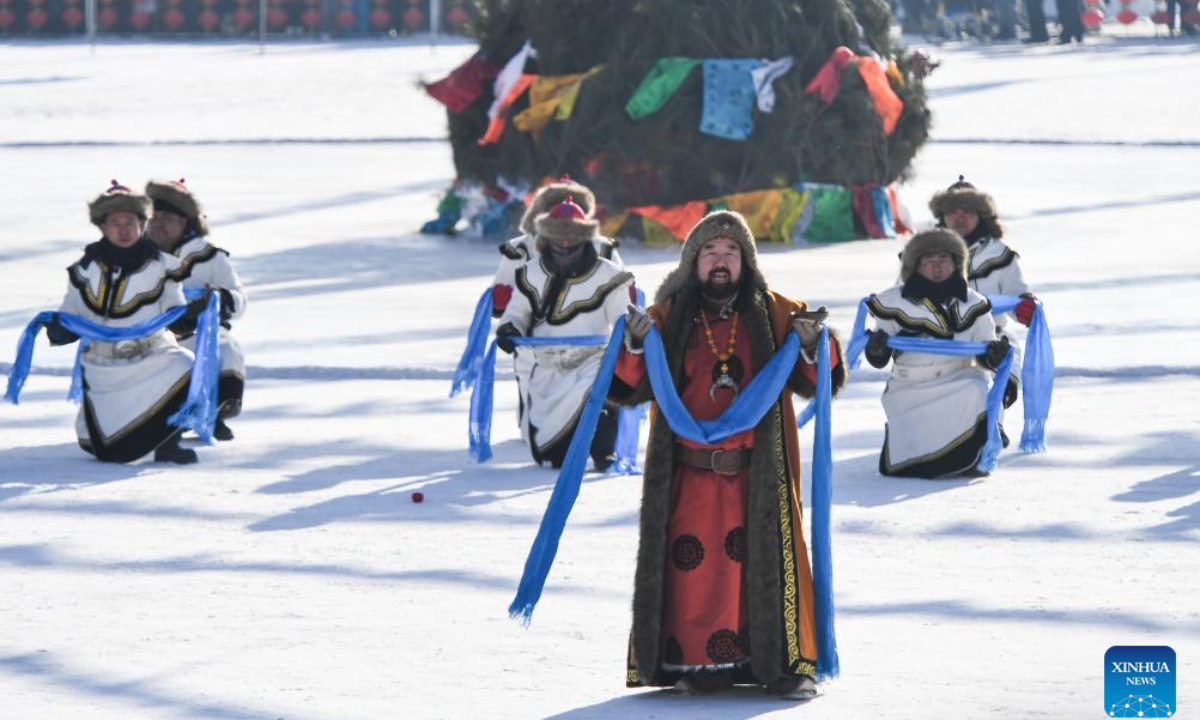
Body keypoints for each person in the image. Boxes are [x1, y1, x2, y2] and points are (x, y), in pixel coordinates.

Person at [612, 211, 845, 699]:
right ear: (692, 262)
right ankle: (696, 666)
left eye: (731, 252)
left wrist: (811, 344)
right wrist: (633, 343)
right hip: (688, 478)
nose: (720, 262)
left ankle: (782, 666)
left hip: (757, 476)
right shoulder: (669, 316)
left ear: (747, 261)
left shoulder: (778, 311)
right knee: (693, 574)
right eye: (710, 253)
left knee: (763, 569)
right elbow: (626, 387)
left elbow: (818, 377)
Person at [45, 181, 207, 464]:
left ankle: (168, 444)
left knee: (184, 364)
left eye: (129, 222)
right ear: (103, 227)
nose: (123, 229)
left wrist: (189, 316)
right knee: (110, 453)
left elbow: (175, 312)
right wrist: (60, 330)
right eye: (115, 223)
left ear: (142, 224)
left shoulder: (164, 267)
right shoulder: (84, 269)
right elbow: (72, 313)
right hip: (102, 364)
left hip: (151, 356)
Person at [494, 195, 634, 470]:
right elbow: (517, 311)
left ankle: (604, 447)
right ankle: (563, 445)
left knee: (603, 387)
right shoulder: (529, 273)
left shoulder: (610, 274)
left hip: (592, 362)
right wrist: (510, 329)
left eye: (572, 239)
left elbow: (622, 317)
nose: (566, 244)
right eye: (559, 238)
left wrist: (630, 335)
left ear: (585, 239)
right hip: (546, 368)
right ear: (547, 239)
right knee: (552, 458)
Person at [864, 229, 1010, 478]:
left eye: (943, 260)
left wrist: (994, 355)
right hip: (910, 384)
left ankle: (971, 460)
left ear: (956, 264)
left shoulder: (974, 304)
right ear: (915, 267)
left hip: (958, 378)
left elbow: (985, 348)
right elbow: (879, 357)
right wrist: (876, 348)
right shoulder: (893, 302)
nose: (937, 267)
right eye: (928, 262)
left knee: (978, 389)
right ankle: (919, 463)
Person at [145, 179, 247, 442]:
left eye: (167, 217)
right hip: (150, 335)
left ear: (185, 222)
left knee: (226, 349)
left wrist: (216, 300)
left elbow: (239, 299)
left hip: (200, 334)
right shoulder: (135, 255)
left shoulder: (210, 257)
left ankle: (214, 414)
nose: (158, 223)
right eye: (152, 217)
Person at [932, 176, 1037, 406]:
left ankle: (991, 427)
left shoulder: (1001, 254)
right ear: (943, 216)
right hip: (936, 343)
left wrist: (1026, 307)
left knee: (1003, 358)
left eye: (967, 211)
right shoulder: (923, 254)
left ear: (980, 215)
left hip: (991, 342)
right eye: (953, 211)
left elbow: (1017, 292)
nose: (960, 217)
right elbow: (904, 298)